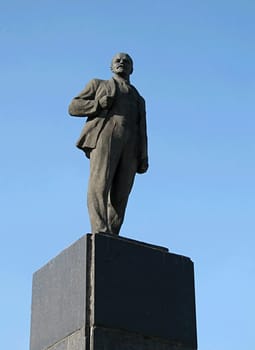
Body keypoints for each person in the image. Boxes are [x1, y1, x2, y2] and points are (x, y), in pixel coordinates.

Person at [68, 53, 148, 235]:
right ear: (111, 67)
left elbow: (142, 128)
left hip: (131, 144)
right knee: (100, 184)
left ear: (132, 69)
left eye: (126, 61)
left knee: (122, 192)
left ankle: (112, 232)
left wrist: (143, 154)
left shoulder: (138, 98)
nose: (122, 63)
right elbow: (73, 107)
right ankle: (100, 228)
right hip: (105, 136)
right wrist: (97, 104)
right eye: (117, 61)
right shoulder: (98, 84)